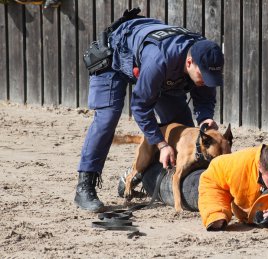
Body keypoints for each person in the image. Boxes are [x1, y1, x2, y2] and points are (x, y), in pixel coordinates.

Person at [74, 11, 224, 212]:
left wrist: (205, 118)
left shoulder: (205, 57)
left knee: (183, 127)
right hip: (115, 56)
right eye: (203, 76)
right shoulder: (160, 60)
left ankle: (143, 175)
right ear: (189, 63)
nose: (206, 81)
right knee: (107, 117)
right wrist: (161, 145)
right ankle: (85, 185)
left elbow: (205, 98)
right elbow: (140, 106)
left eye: (210, 77)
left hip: (158, 70)